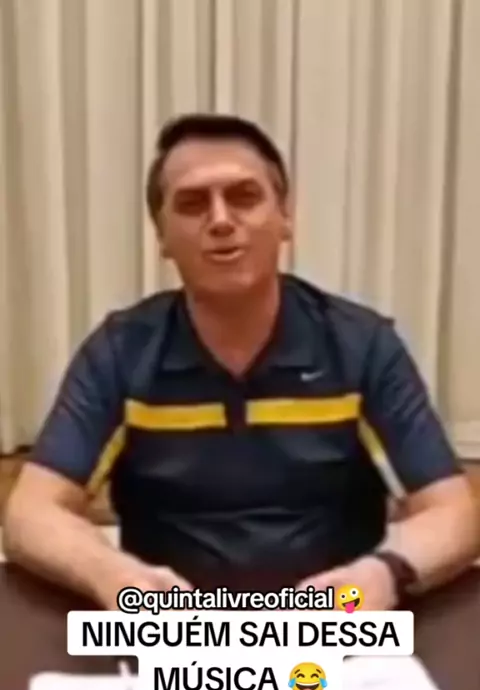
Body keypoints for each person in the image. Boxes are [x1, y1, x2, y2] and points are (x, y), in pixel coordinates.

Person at [3, 113, 480, 610]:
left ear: (285, 217)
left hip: (334, 624)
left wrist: (383, 574)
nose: (221, 220)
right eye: (192, 204)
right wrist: (111, 573)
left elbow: (454, 512)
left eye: (244, 197)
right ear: (162, 236)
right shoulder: (120, 353)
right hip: (171, 629)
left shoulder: (361, 345)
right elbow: (30, 512)